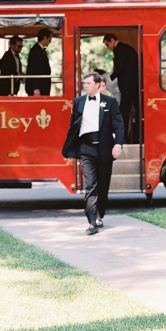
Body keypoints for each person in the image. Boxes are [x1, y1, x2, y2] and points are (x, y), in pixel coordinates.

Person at [62, 72, 124, 234]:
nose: (86, 85)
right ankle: (91, 222)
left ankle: (99, 215)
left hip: (104, 148)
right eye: (85, 83)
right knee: (90, 186)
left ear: (98, 85)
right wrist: (71, 148)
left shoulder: (109, 102)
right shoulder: (78, 101)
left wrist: (118, 144)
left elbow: (118, 125)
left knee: (103, 185)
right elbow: (73, 126)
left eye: (89, 83)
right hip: (85, 149)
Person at [103, 33, 139, 143]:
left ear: (112, 40)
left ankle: (122, 136)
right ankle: (137, 136)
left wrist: (110, 77)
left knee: (124, 110)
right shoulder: (128, 48)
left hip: (127, 85)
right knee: (137, 110)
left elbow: (120, 68)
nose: (108, 47)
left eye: (107, 44)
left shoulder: (118, 50)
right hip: (135, 83)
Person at [25, 28, 52, 96]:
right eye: (50, 39)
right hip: (38, 88)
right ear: (45, 38)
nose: (50, 42)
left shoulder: (39, 50)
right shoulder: (35, 51)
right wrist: (35, 88)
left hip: (42, 86)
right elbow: (32, 70)